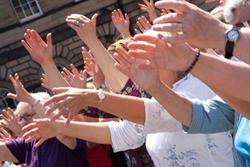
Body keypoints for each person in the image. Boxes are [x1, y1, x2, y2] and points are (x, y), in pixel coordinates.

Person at [0, 74, 89, 167]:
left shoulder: (65, 133)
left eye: (27, 116)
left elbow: (61, 128)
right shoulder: (29, 143)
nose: (23, 122)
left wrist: (32, 100)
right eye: (20, 118)